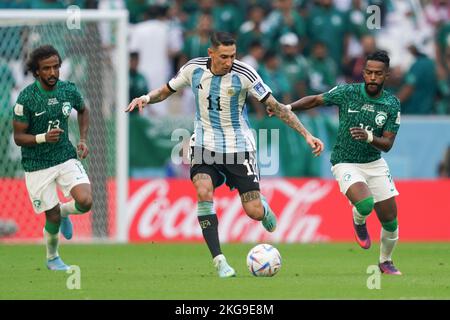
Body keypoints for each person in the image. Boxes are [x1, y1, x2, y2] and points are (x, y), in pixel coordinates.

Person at [126, 31, 324, 278]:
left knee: (252, 211)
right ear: (211, 53)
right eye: (223, 56)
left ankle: (262, 208)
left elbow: (275, 106)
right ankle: (220, 261)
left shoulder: (246, 74)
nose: (229, 61)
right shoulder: (193, 69)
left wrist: (306, 134)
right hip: (205, 145)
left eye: (233, 56)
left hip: (238, 148)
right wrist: (145, 98)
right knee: (203, 191)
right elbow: (167, 90)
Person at [270, 50, 402, 275]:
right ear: (363, 72)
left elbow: (388, 144)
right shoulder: (348, 92)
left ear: (386, 76)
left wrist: (369, 137)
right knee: (365, 205)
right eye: (368, 72)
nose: (372, 77)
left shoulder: (391, 104)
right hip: (345, 161)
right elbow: (316, 100)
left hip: (374, 163)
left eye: (378, 74)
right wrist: (288, 107)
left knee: (390, 221)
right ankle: (359, 220)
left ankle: (385, 261)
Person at [12, 45, 92, 271]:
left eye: (56, 67)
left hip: (65, 156)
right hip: (37, 165)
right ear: (36, 72)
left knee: (86, 201)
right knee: (52, 216)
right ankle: (52, 258)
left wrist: (83, 140)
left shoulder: (68, 90)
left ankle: (65, 211)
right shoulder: (26, 98)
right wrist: (43, 138)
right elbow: (18, 137)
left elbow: (84, 110)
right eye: (46, 68)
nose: (53, 72)